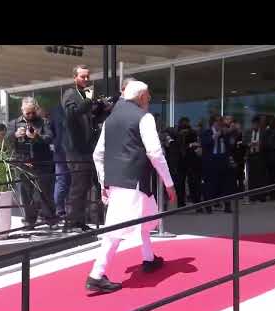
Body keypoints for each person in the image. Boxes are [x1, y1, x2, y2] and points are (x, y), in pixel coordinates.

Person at [86, 81, 177, 293]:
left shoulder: (110, 121)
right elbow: (155, 153)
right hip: (134, 182)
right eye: (149, 96)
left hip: (120, 182)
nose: (150, 100)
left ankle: (149, 258)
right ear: (142, 97)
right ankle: (96, 275)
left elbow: (97, 154)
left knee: (148, 217)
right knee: (115, 231)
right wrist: (169, 183)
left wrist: (103, 181)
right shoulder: (144, 118)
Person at [8, 97, 58, 229]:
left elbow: (50, 138)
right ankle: (30, 221)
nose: (30, 115)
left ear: (36, 109)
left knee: (45, 192)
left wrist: (36, 136)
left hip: (42, 162)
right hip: (23, 162)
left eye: (33, 112)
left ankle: (50, 218)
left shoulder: (44, 122)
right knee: (25, 193)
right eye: (27, 113)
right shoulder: (14, 123)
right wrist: (15, 135)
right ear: (22, 110)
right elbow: (6, 141)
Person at [61, 65, 97, 232]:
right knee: (78, 186)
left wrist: (100, 107)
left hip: (86, 147)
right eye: (83, 77)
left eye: (88, 76)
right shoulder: (70, 94)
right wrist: (89, 101)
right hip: (75, 148)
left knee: (84, 185)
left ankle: (79, 220)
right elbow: (71, 115)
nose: (86, 79)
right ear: (75, 77)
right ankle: (71, 222)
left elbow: (90, 118)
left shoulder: (84, 95)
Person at [200, 115, 236, 213]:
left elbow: (231, 145)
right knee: (211, 185)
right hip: (211, 162)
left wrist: (230, 134)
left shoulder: (225, 133)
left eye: (221, 122)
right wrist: (216, 135)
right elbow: (205, 143)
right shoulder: (207, 132)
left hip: (223, 160)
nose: (220, 124)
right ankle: (208, 206)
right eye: (218, 122)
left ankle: (227, 205)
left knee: (226, 184)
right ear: (213, 123)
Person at [176, 117, 201, 207]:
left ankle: (184, 202)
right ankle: (191, 201)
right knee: (186, 182)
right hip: (186, 161)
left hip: (187, 161)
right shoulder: (179, 133)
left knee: (187, 182)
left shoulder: (190, 133)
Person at [243, 116, 268, 202]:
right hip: (251, 156)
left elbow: (267, 144)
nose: (255, 125)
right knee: (251, 177)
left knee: (261, 177)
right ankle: (252, 196)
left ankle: (261, 196)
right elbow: (243, 142)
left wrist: (260, 144)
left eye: (257, 124)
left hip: (261, 156)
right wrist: (249, 144)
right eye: (254, 124)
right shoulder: (248, 132)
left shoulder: (264, 132)